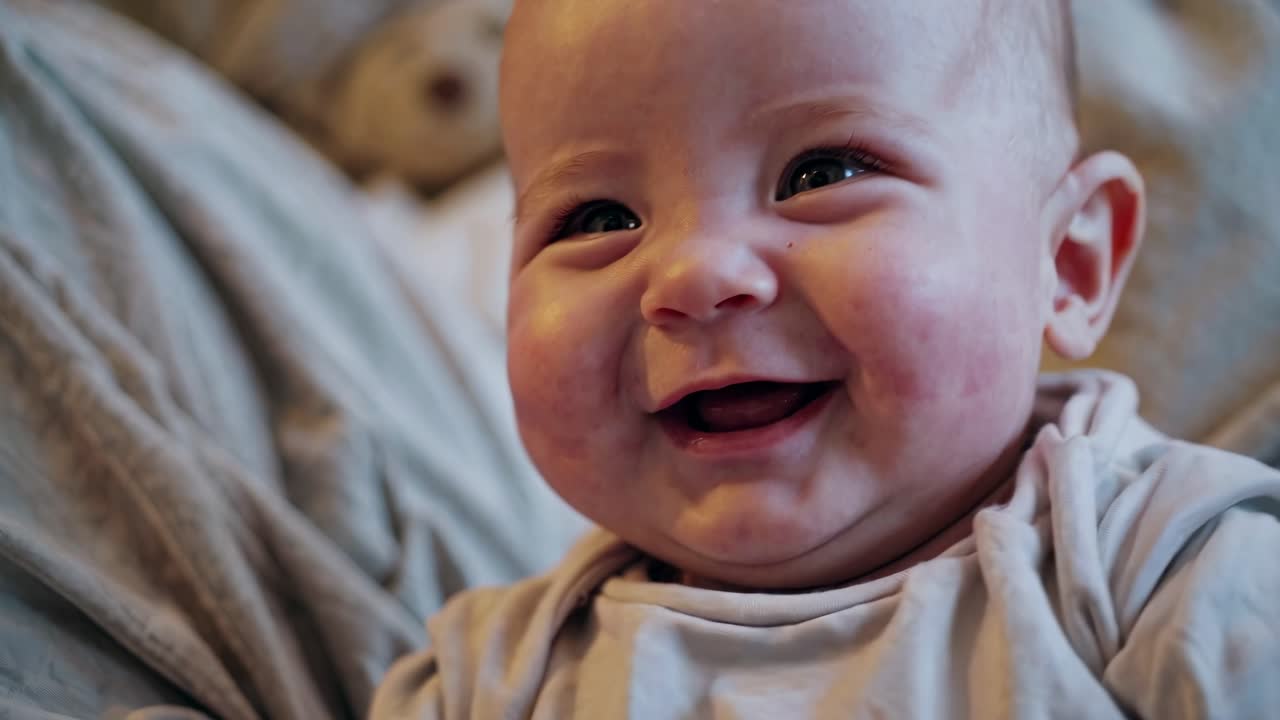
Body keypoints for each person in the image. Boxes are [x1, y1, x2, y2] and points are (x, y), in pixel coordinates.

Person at [372, 0, 1280, 716]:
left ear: (1068, 264)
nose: (693, 275)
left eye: (823, 175)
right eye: (599, 221)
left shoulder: (1170, 576)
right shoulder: (488, 680)